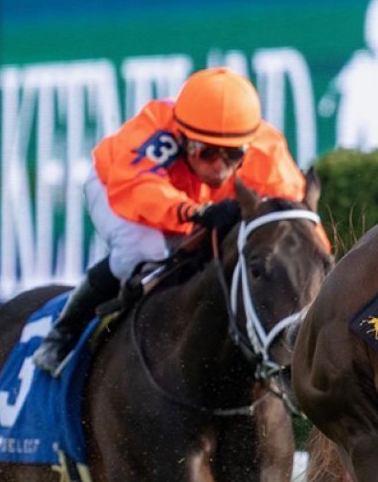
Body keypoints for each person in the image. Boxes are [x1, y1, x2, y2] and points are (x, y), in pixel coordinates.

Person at [33, 67, 316, 376]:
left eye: (233, 154)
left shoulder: (267, 152)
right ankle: (63, 333)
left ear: (249, 143)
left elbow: (296, 226)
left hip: (193, 200)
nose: (221, 168)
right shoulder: (155, 133)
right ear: (181, 139)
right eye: (207, 153)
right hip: (118, 188)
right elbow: (141, 192)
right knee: (144, 250)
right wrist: (193, 212)